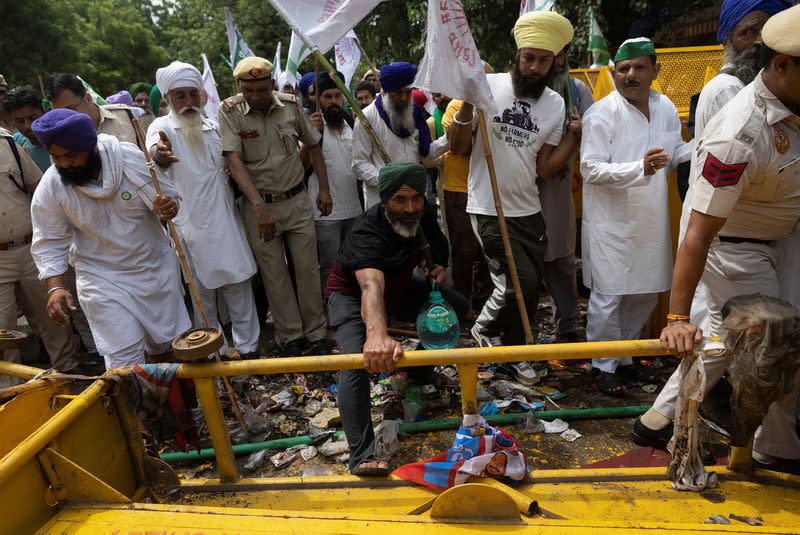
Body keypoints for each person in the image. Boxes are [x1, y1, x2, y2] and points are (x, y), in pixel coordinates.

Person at [635, 5, 800, 472]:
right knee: (773, 341)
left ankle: (656, 419)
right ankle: (777, 446)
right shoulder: (740, 133)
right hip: (738, 248)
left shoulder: (794, 102)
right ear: (782, 64)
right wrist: (674, 315)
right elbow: (698, 233)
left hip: (782, 241)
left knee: (724, 341)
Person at [448, 11, 581, 384]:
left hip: (529, 210)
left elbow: (543, 168)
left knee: (529, 287)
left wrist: (572, 137)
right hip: (488, 206)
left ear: (554, 61)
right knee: (515, 283)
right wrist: (469, 103)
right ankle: (483, 330)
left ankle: (516, 354)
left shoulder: (555, 104)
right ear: (517, 56)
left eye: (542, 60)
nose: (534, 67)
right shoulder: (486, 84)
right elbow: (458, 148)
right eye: (528, 58)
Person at [325, 162, 468, 476]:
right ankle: (361, 455)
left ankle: (417, 373)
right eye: (400, 200)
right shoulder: (366, 231)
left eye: (416, 198)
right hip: (352, 296)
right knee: (355, 363)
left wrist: (439, 269)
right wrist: (376, 334)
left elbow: (438, 251)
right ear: (385, 199)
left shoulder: (423, 213)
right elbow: (370, 285)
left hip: (399, 288)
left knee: (456, 309)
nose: (410, 208)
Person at [29, 109, 190, 369]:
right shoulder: (52, 185)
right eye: (56, 157)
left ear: (89, 146)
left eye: (71, 155)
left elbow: (169, 197)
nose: (64, 164)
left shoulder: (128, 159)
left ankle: (185, 409)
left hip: (153, 270)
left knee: (170, 349)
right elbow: (49, 239)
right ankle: (135, 410)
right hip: (101, 278)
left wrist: (167, 207)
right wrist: (56, 287)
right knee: (123, 360)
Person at [580, 38, 693, 395]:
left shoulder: (665, 110)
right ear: (614, 73)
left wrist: (705, 141)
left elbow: (673, 157)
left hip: (650, 221)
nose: (630, 75)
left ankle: (625, 358)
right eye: (623, 69)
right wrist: (638, 168)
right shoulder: (602, 113)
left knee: (645, 293)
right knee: (609, 296)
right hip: (611, 223)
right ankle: (602, 366)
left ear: (655, 71)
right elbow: (589, 169)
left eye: (638, 67)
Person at [688, 0, 792, 335]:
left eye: (766, 29)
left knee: (718, 343)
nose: (759, 41)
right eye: (749, 32)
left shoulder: (774, 95)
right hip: (729, 238)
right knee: (759, 342)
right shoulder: (730, 93)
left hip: (753, 239)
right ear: (729, 40)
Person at [219, 56, 333, 356]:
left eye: (262, 89)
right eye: (249, 90)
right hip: (260, 207)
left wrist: (323, 188)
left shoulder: (291, 105)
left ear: (271, 84)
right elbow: (234, 160)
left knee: (308, 268)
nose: (256, 97)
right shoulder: (229, 111)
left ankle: (317, 332)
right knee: (274, 273)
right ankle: (291, 335)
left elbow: (313, 145)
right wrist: (258, 206)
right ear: (239, 86)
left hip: (296, 201)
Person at [147, 61, 261, 359]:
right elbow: (155, 153)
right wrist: (160, 154)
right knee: (203, 298)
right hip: (191, 228)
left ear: (201, 95)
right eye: (180, 96)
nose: (187, 102)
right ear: (168, 99)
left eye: (192, 95)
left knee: (239, 286)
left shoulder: (212, 125)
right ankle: (214, 353)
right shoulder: (160, 128)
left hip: (226, 222)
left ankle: (248, 350)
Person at [0, 127, 79, 387]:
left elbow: (40, 188)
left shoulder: (7, 143)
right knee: (2, 332)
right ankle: (11, 392)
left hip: (29, 245)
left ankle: (68, 375)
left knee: (53, 315)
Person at [540, 45, 594, 344]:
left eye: (555, 54)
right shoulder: (522, 90)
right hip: (524, 186)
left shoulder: (577, 90)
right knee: (526, 261)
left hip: (562, 188)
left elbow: (595, 129)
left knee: (562, 258)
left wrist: (570, 145)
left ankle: (567, 326)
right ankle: (521, 334)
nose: (551, 62)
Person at [352, 61, 448, 208]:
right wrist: (389, 181)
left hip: (414, 201)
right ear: (386, 91)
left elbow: (426, 154)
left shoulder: (414, 113)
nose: (404, 98)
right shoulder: (366, 118)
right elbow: (359, 164)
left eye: (408, 92)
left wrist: (448, 139)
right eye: (398, 93)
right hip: (382, 202)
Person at [300, 71, 363, 289]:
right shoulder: (309, 125)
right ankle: (332, 309)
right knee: (330, 265)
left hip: (354, 208)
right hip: (326, 213)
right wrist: (310, 135)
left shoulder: (351, 124)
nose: (334, 101)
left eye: (338, 95)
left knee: (354, 262)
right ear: (318, 99)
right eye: (328, 96)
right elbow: (300, 168)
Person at [440, 98, 491, 319]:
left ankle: (485, 301)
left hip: (487, 188)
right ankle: (462, 303)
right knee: (463, 251)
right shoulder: (456, 106)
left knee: (487, 250)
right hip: (460, 189)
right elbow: (462, 147)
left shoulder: (493, 104)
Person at [45, 73, 138, 146]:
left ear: (88, 99)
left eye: (70, 109)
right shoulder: (60, 141)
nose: (65, 118)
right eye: (58, 114)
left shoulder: (124, 114)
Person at [3, 86, 50, 171]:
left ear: (44, 112)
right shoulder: (15, 144)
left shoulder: (63, 141)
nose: (27, 126)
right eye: (20, 121)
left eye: (32, 118)